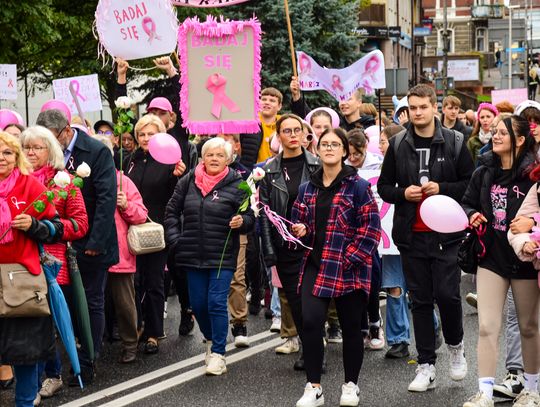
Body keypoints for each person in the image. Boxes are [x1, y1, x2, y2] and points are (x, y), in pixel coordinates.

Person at [378, 84, 474, 392]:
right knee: (418, 301)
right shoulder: (397, 143)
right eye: (413, 107)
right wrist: (401, 193)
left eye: (423, 107)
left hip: (446, 234)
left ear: (435, 107)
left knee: (447, 295)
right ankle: (426, 365)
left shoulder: (456, 141)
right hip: (411, 235)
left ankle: (456, 347)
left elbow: (470, 183)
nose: (418, 113)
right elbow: (383, 188)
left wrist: (442, 188)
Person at [291, 128, 381, 407]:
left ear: (344, 151)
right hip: (315, 265)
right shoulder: (307, 187)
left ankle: (351, 385)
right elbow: (299, 223)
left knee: (352, 327)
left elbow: (371, 230)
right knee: (310, 322)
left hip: (349, 267)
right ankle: (314, 386)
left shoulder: (358, 186)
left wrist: (349, 258)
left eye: (335, 144)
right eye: (324, 144)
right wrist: (300, 230)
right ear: (317, 150)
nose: (329, 148)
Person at [35, 108, 118, 385]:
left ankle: (88, 360)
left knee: (91, 301)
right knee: (66, 302)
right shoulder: (46, 160)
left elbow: (107, 199)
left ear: (66, 131)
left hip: (92, 240)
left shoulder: (96, 151)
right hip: (59, 242)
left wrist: (95, 241)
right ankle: (70, 357)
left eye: (51, 138)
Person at [462, 115, 539, 407]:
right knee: (486, 327)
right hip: (491, 257)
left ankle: (532, 389)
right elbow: (467, 201)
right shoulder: (484, 171)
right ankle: (484, 391)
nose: (494, 136)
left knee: (528, 326)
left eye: (501, 133)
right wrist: (471, 214)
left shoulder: (534, 175)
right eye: (493, 132)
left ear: (520, 140)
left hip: (524, 259)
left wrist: (531, 220)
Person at [165, 137, 255, 375]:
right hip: (191, 253)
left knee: (215, 302)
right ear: (202, 157)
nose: (214, 158)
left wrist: (242, 221)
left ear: (229, 159)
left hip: (222, 254)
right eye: (210, 154)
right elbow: (171, 211)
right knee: (197, 304)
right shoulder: (187, 181)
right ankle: (209, 339)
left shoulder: (239, 184)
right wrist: (175, 240)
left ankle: (218, 353)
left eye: (219, 155)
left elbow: (251, 218)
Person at [19, 126, 89, 402]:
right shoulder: (15, 182)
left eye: (38, 147)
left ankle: (50, 376)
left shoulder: (64, 182)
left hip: (51, 263)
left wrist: (50, 229)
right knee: (26, 323)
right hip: (18, 263)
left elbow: (80, 224)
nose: (32, 152)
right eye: (26, 147)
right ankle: (36, 380)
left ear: (52, 151)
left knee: (44, 324)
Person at [0, 132, 64, 407]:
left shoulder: (31, 187)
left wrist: (34, 226)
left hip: (22, 282)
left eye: (6, 152)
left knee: (25, 353)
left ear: (16, 157)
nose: (1, 158)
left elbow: (57, 229)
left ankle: (25, 402)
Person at [259, 113, 319, 368]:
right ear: (279, 136)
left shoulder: (317, 165)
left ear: (306, 135)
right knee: (295, 301)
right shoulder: (269, 171)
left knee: (313, 302)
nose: (293, 136)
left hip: (314, 245)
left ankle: (316, 350)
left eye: (298, 130)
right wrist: (269, 249)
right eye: (287, 131)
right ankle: (308, 348)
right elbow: (263, 212)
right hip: (285, 247)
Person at [125, 114, 185, 354]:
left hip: (157, 227)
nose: (146, 138)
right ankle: (137, 325)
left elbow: (175, 197)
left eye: (151, 134)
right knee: (134, 281)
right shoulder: (130, 160)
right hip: (131, 226)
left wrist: (177, 177)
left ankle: (153, 332)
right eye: (142, 134)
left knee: (153, 281)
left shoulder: (170, 161)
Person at [240, 87, 283, 169]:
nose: (267, 102)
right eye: (263, 99)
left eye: (272, 100)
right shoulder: (248, 123)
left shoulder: (284, 124)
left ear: (279, 106)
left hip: (277, 172)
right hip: (251, 173)